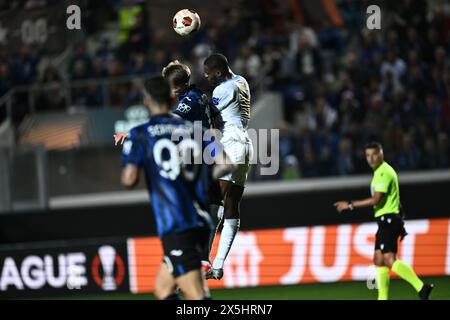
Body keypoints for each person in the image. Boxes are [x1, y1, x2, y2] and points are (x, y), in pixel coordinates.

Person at [120, 76, 235, 300]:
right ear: (173, 98)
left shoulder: (141, 134)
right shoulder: (196, 130)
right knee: (163, 290)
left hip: (177, 223)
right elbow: (226, 164)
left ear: (146, 101)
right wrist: (204, 176)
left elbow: (129, 179)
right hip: (200, 219)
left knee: (197, 295)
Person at [334, 142, 434, 300]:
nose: (371, 158)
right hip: (386, 219)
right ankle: (384, 298)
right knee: (379, 260)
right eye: (367, 155)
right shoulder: (380, 172)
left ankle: (421, 287)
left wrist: (350, 205)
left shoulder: (383, 172)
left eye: (374, 154)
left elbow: (376, 200)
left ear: (381, 154)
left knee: (388, 259)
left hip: (388, 219)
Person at [202, 53, 254, 280]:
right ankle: (219, 264)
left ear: (220, 72)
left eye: (209, 74)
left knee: (214, 200)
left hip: (231, 143)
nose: (206, 77)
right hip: (246, 144)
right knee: (231, 205)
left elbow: (209, 113)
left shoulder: (221, 90)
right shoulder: (241, 80)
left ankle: (204, 261)